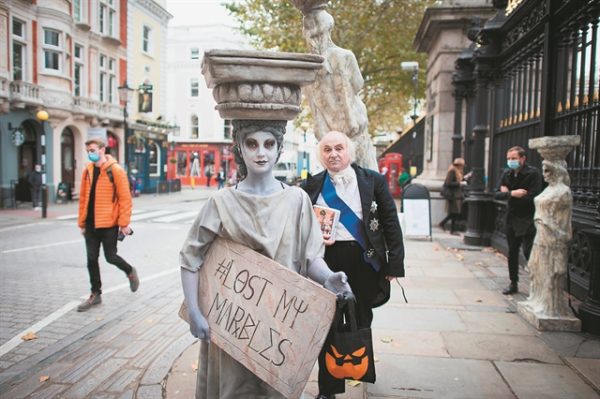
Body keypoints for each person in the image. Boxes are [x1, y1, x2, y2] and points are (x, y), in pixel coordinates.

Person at [179, 120, 352, 399]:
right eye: (252, 144)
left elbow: (310, 257)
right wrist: (195, 311)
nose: (261, 153)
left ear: (279, 149)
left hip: (279, 328)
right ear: (240, 148)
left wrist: (328, 277)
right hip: (232, 323)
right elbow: (190, 257)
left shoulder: (296, 200)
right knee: (234, 390)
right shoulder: (221, 202)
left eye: (269, 144)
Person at [302, 131, 405, 399]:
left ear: (349, 151)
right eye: (327, 149)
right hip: (326, 262)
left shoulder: (373, 180)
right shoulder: (311, 185)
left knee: (361, 320)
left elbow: (390, 222)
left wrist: (394, 264)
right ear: (320, 154)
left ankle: (359, 371)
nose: (333, 154)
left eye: (339, 148)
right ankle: (328, 389)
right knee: (327, 323)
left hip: (364, 260)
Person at [301, 7, 378, 170]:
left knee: (335, 179)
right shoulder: (345, 56)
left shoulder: (308, 66)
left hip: (327, 132)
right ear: (329, 28)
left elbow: (313, 103)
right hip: (353, 128)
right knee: (365, 177)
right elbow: (358, 84)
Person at [77, 138, 139, 311]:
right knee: (91, 259)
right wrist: (81, 222)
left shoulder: (115, 170)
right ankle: (95, 294)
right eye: (88, 150)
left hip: (108, 223)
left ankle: (129, 270)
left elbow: (125, 198)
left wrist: (124, 223)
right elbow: (83, 198)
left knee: (110, 257)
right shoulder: (87, 171)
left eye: (93, 149)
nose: (90, 153)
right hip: (91, 223)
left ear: (103, 150)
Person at [494, 146, 543, 295]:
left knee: (529, 252)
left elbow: (534, 198)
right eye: (509, 158)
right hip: (512, 217)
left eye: (514, 158)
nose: (511, 161)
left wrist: (507, 194)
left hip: (528, 218)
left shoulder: (533, 174)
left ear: (522, 158)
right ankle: (513, 283)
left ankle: (538, 285)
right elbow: (496, 194)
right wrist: (513, 194)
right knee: (513, 252)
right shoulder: (507, 173)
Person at [439, 158, 466, 235]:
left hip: (456, 195)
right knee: (453, 213)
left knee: (454, 213)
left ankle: (447, 226)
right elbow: (448, 183)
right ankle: (450, 228)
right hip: (452, 195)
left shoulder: (457, 171)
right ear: (459, 165)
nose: (462, 167)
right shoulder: (452, 171)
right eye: (462, 165)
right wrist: (459, 184)